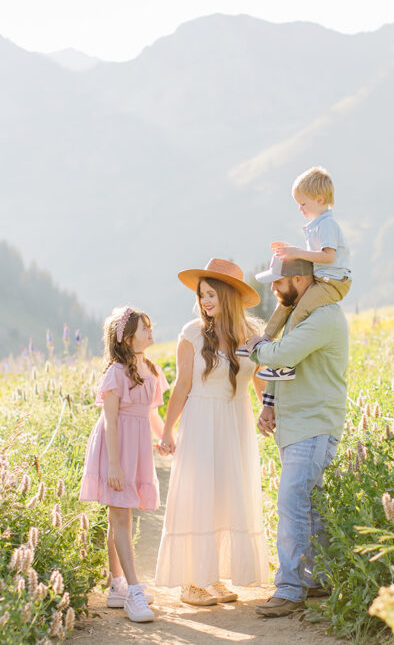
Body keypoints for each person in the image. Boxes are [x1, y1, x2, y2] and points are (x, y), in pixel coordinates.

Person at [154, 258, 272, 606]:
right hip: (203, 420)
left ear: (229, 296)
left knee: (227, 494)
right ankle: (191, 582)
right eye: (202, 295)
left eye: (211, 295)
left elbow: (258, 378)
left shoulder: (250, 334)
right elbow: (182, 385)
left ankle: (213, 575)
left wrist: (268, 408)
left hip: (236, 420)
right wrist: (168, 430)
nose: (205, 302)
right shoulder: (192, 333)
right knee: (200, 493)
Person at [246, 257, 350, 618]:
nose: (273, 289)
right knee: (311, 505)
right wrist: (269, 403)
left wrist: (254, 347)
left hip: (314, 423)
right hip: (298, 423)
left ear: (301, 279)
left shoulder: (324, 316)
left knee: (292, 502)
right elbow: (283, 368)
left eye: (279, 282)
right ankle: (317, 578)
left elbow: (284, 353)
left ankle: (290, 588)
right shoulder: (299, 313)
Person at [79, 306, 168, 623]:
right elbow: (111, 422)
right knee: (120, 516)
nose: (150, 332)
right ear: (126, 337)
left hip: (138, 447)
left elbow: (152, 414)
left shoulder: (152, 371)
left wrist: (167, 438)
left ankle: (117, 585)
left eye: (150, 326)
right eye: (144, 328)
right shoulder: (115, 373)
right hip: (115, 447)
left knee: (122, 515)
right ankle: (133, 589)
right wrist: (113, 465)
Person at [248, 166, 351, 382]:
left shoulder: (327, 225)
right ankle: (266, 339)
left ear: (319, 200)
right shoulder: (316, 225)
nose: (300, 209)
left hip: (332, 282)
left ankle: (286, 362)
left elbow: (327, 256)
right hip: (321, 278)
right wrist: (290, 251)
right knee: (285, 304)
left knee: (300, 310)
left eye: (303, 204)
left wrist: (296, 252)